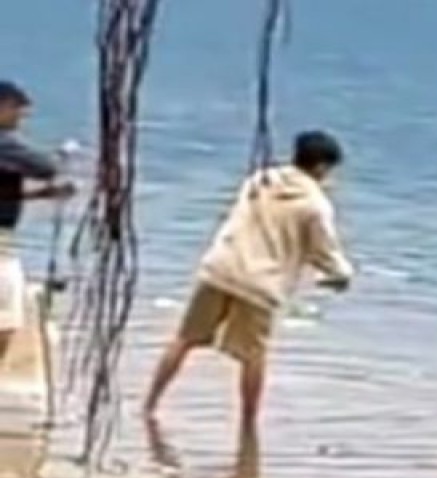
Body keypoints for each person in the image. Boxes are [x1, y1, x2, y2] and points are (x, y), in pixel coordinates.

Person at [143, 130, 354, 430]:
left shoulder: (261, 179)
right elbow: (324, 252)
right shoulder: (315, 205)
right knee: (253, 355)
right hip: (261, 285)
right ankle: (248, 428)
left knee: (185, 338)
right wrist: (342, 276)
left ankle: (149, 405)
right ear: (321, 167)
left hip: (220, 268)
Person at [0, 80, 75, 364]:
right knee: (5, 322)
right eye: (17, 111)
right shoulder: (3, 141)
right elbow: (45, 167)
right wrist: (61, 156)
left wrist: (43, 194)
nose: (20, 118)